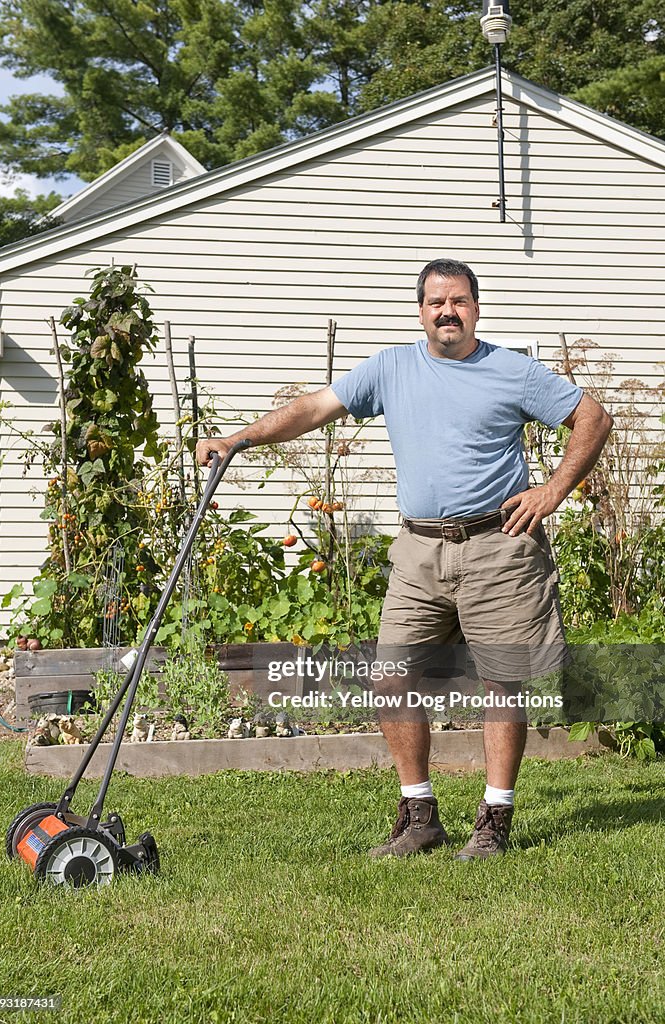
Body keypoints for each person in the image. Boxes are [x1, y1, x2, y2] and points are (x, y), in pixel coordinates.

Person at [196, 258, 613, 861]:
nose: (448, 311)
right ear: (420, 311)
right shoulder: (390, 368)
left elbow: (592, 417)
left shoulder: (512, 370)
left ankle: (495, 818)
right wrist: (238, 439)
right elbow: (313, 408)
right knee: (392, 676)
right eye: (436, 302)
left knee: (502, 682)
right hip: (418, 550)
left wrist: (552, 492)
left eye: (460, 301)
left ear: (476, 308)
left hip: (499, 546)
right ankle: (419, 815)